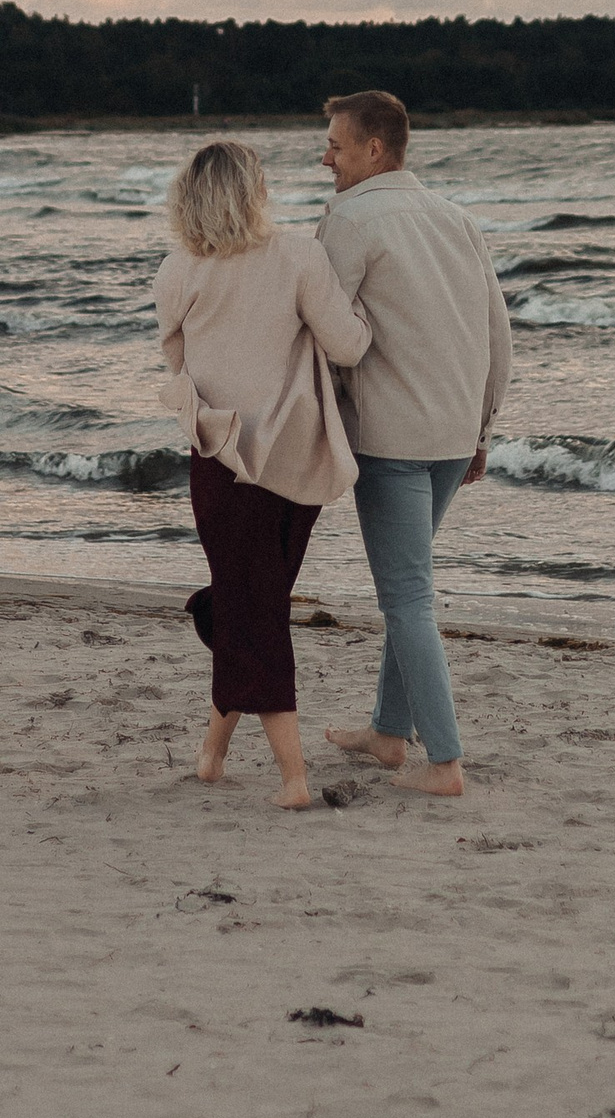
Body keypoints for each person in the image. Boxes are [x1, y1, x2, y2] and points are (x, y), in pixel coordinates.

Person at [155, 137, 372, 810]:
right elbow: (350, 345)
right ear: (253, 194)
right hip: (290, 459)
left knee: (252, 606)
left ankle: (260, 769)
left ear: (189, 198)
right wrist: (365, 309)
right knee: (259, 607)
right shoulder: (299, 256)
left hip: (220, 458)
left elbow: (177, 362)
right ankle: (257, 768)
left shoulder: (178, 269)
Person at [314, 90, 512, 799]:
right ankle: (389, 732)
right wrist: (482, 429)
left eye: (335, 144)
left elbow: (324, 330)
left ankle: (446, 762)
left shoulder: (348, 218)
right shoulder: (456, 218)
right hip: (453, 434)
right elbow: (498, 335)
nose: (325, 157)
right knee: (411, 587)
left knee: (406, 598)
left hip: (391, 440)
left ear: (374, 149)